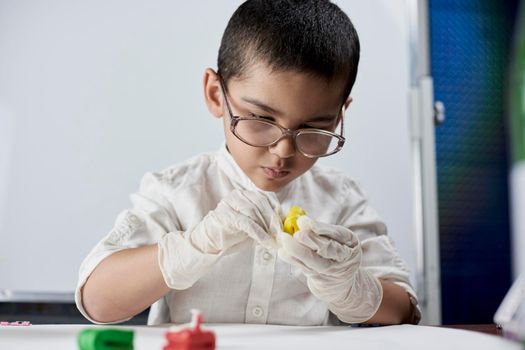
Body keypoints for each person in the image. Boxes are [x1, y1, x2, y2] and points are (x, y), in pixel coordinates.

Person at [76, 0, 420, 326]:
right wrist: (196, 244)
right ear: (215, 94)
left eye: (314, 128)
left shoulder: (342, 199)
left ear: (340, 114)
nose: (284, 151)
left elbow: (404, 311)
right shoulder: (175, 191)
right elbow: (98, 301)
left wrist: (350, 287)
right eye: (260, 119)